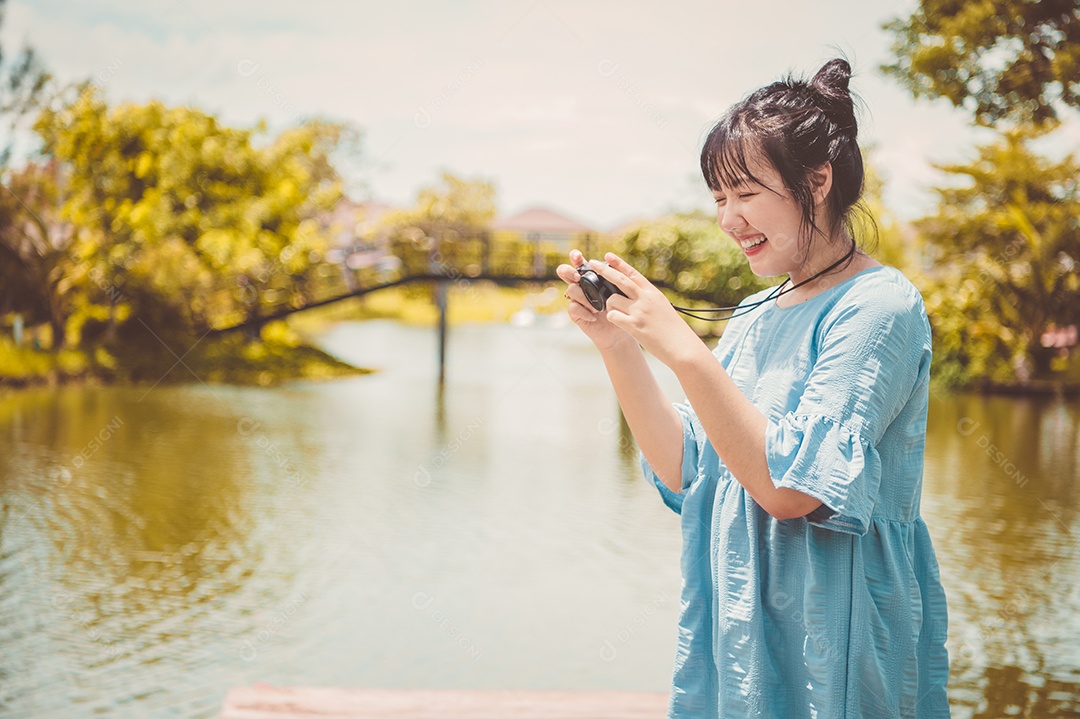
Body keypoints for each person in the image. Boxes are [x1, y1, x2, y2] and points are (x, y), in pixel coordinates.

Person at [557, 58, 950, 718]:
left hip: (839, 634)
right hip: (740, 627)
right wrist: (619, 346)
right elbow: (691, 473)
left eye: (745, 193)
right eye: (718, 198)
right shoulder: (753, 312)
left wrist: (682, 347)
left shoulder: (879, 307)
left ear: (817, 181)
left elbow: (792, 490)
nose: (728, 218)